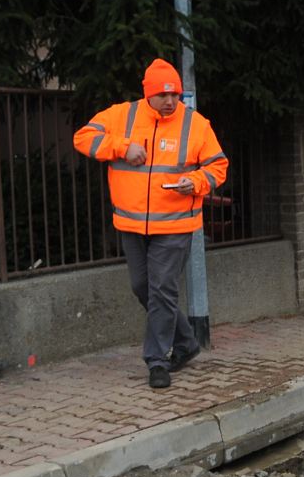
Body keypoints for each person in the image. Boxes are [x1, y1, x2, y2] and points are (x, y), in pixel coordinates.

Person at [73, 58, 228, 389]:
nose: (170, 101)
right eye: (162, 95)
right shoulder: (122, 116)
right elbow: (83, 138)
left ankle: (157, 360)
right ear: (148, 94)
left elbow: (218, 166)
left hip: (174, 225)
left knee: (161, 290)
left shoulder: (195, 124)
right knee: (142, 287)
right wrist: (121, 147)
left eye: (175, 95)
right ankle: (186, 342)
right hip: (131, 224)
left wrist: (195, 182)